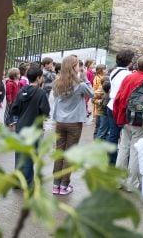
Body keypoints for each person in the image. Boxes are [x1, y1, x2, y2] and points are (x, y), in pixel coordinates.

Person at [113, 55, 143, 191]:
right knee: (135, 151)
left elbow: (119, 98)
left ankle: (117, 180)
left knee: (123, 149)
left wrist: (118, 117)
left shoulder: (128, 78)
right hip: (140, 121)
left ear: (137, 66)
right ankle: (131, 183)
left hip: (125, 118)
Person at [51, 55, 94, 196]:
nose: (80, 67)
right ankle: (64, 185)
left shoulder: (57, 82)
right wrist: (85, 78)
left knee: (59, 152)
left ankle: (55, 184)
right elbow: (92, 94)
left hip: (60, 121)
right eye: (77, 65)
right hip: (74, 122)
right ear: (73, 67)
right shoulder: (80, 85)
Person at [9, 66, 49, 187]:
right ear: (38, 78)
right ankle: (26, 182)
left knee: (20, 154)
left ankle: (17, 180)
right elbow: (46, 111)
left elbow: (14, 109)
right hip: (34, 128)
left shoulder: (22, 90)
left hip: (21, 127)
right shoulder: (41, 93)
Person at [105, 49, 134, 164]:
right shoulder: (128, 75)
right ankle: (121, 160)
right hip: (121, 107)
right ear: (129, 62)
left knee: (113, 134)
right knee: (125, 135)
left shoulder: (114, 71)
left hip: (111, 105)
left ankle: (111, 159)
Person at [91, 65, 108, 139]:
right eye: (104, 69)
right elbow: (93, 99)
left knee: (99, 128)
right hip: (100, 112)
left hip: (101, 112)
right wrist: (100, 101)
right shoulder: (100, 89)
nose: (106, 70)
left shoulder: (102, 78)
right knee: (99, 128)